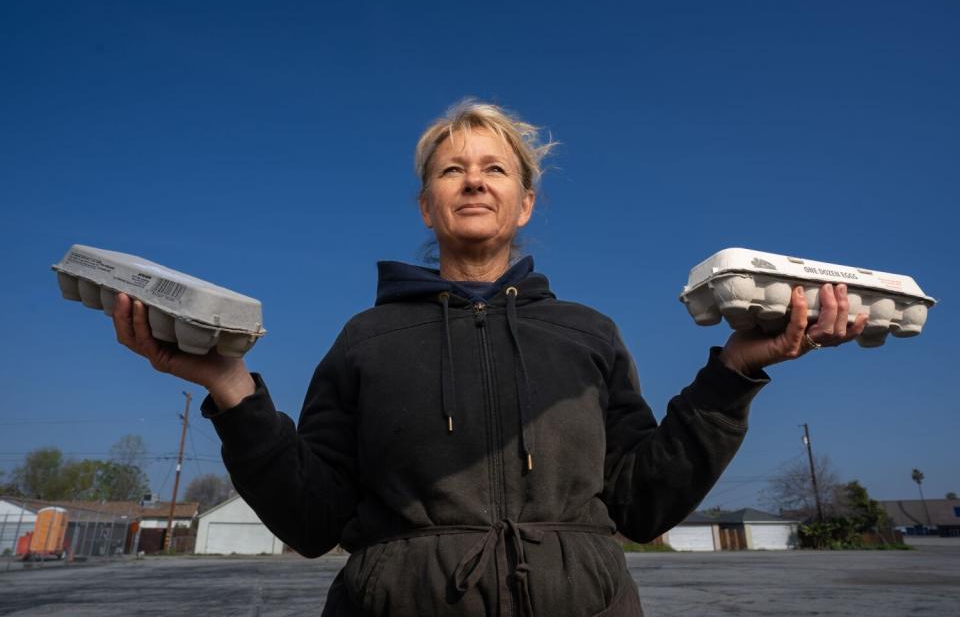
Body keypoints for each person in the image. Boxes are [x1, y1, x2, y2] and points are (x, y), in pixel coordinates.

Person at [112, 100, 866, 616]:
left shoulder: (588, 335)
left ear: (525, 203)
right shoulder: (364, 341)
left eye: (495, 168)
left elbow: (644, 504)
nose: (474, 178)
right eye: (452, 169)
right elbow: (312, 519)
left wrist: (733, 371)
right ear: (426, 206)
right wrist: (232, 389)